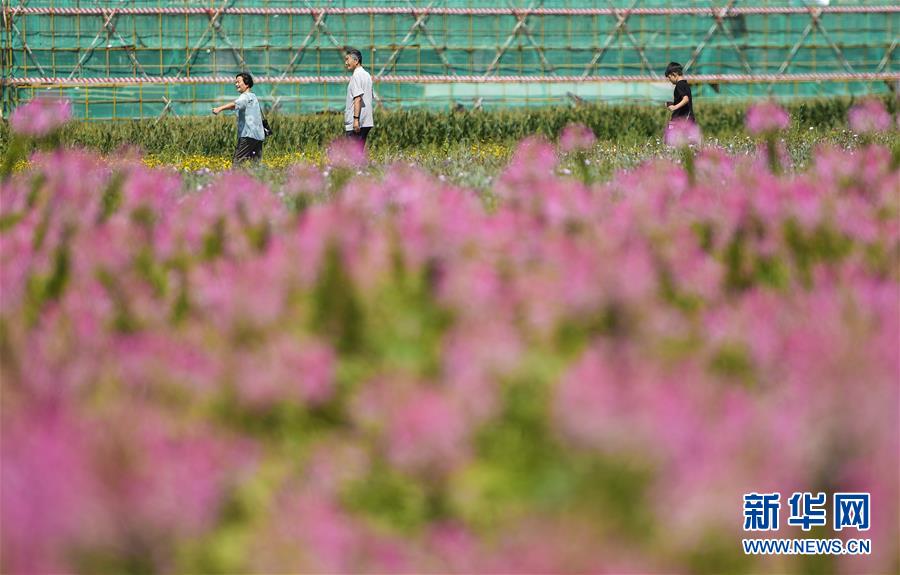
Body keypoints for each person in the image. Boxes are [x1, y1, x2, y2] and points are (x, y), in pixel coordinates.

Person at [212, 72, 265, 165]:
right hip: (258, 135)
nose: (236, 84)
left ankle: (233, 179)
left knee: (237, 163)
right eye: (235, 82)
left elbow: (235, 104)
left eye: (238, 82)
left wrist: (219, 108)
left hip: (248, 135)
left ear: (247, 83)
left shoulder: (244, 97)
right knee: (255, 164)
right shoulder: (253, 96)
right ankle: (264, 178)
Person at [343, 48, 374, 146]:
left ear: (356, 61)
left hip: (357, 122)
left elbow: (358, 98)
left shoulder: (356, 76)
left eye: (347, 59)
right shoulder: (367, 75)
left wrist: (356, 120)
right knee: (358, 154)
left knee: (352, 156)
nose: (346, 63)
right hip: (366, 121)